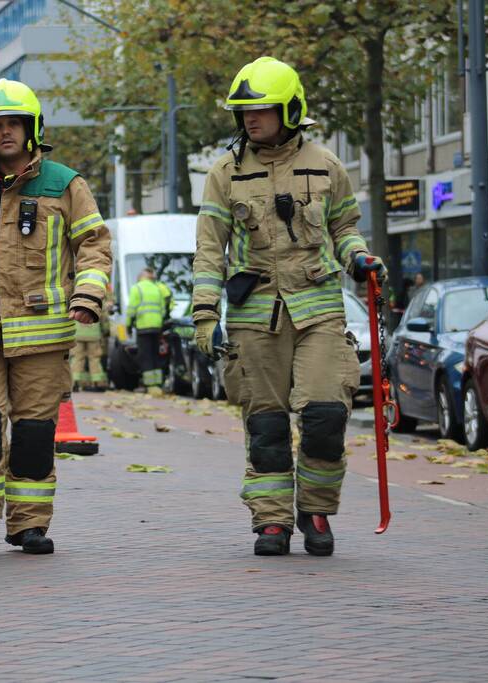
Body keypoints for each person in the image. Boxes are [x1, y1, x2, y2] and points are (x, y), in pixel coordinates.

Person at [192, 57, 385, 557]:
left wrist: (360, 258)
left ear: (290, 109)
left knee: (325, 415)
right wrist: (205, 315)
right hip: (254, 318)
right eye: (244, 112)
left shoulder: (326, 165)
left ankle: (316, 509)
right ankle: (272, 522)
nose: (250, 119)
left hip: (319, 310)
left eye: (261, 109)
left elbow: (344, 229)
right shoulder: (224, 174)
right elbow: (210, 251)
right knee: (268, 426)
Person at [0, 79, 112, 554]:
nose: (5, 133)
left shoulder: (66, 184)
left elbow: (94, 246)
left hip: (44, 336)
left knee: (33, 433)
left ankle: (28, 525)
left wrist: (88, 296)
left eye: (14, 124)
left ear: (32, 129)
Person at [127, 268, 171, 396]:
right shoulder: (157, 288)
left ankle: (149, 385)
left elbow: (131, 309)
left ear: (140, 277)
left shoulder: (137, 288)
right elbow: (163, 309)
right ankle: (158, 384)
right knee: (155, 355)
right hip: (157, 327)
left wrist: (129, 325)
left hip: (143, 327)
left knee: (145, 356)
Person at [70, 288, 109, 391]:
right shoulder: (98, 298)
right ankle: (97, 382)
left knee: (77, 358)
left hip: (78, 334)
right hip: (93, 334)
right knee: (94, 358)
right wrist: (106, 331)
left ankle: (75, 382)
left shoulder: (76, 297)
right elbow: (104, 318)